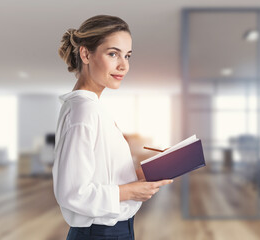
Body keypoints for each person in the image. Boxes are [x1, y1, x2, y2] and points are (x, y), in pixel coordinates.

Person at [52, 15, 173, 240]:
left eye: (127, 55)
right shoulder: (83, 111)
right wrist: (130, 191)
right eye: (113, 54)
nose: (123, 65)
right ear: (86, 54)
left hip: (115, 230)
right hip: (100, 234)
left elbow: (99, 176)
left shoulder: (94, 108)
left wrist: (137, 177)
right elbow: (72, 193)